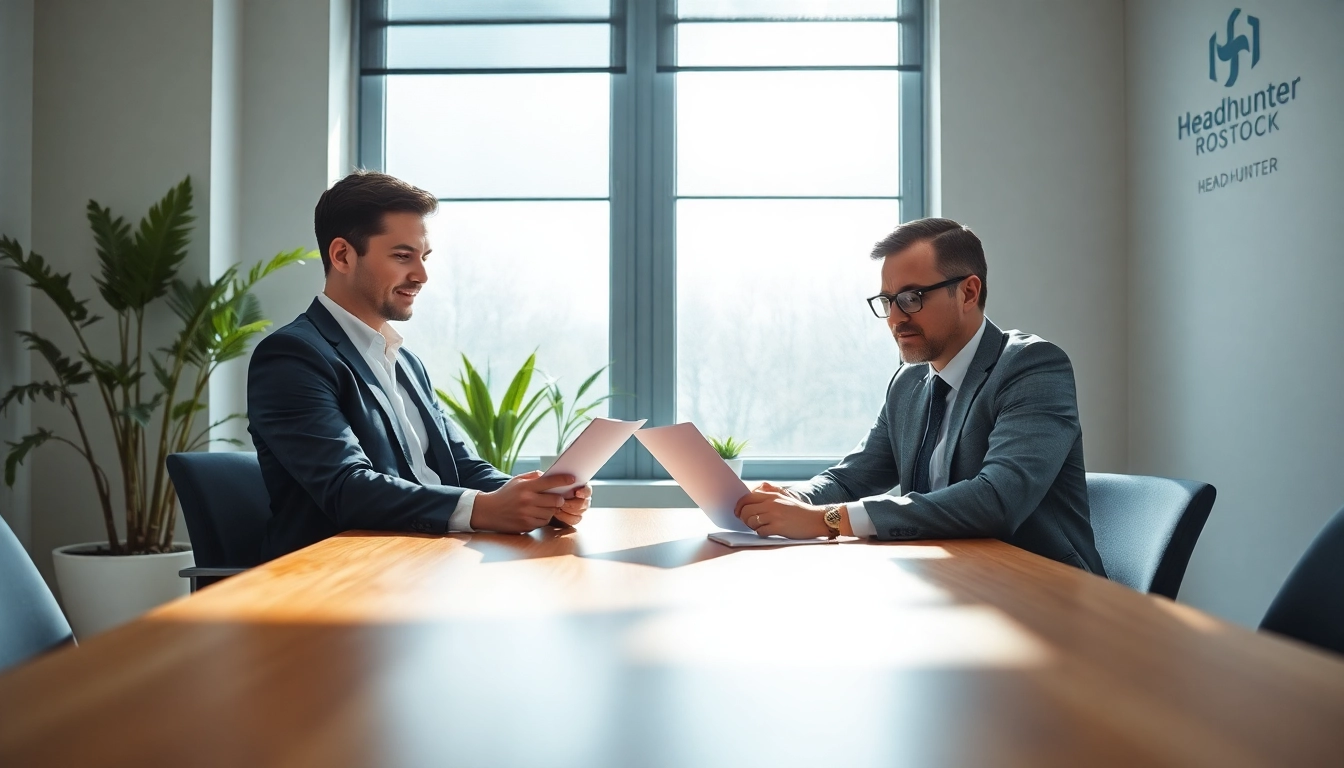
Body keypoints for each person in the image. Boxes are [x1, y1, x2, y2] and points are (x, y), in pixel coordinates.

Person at [247, 171, 589, 561]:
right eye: (402, 256)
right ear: (342, 255)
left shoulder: (406, 362)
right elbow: (347, 487)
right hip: (341, 573)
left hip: (424, 560)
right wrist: (485, 509)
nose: (422, 276)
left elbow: (461, 466)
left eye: (424, 258)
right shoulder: (292, 356)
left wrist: (537, 498)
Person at [734, 217, 1105, 573]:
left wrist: (827, 520)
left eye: (911, 298)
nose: (895, 318)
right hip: (946, 578)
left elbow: (997, 499)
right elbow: (851, 478)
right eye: (888, 301)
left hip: (1044, 590)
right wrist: (792, 500)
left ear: (968, 292)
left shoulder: (1032, 367)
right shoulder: (908, 383)